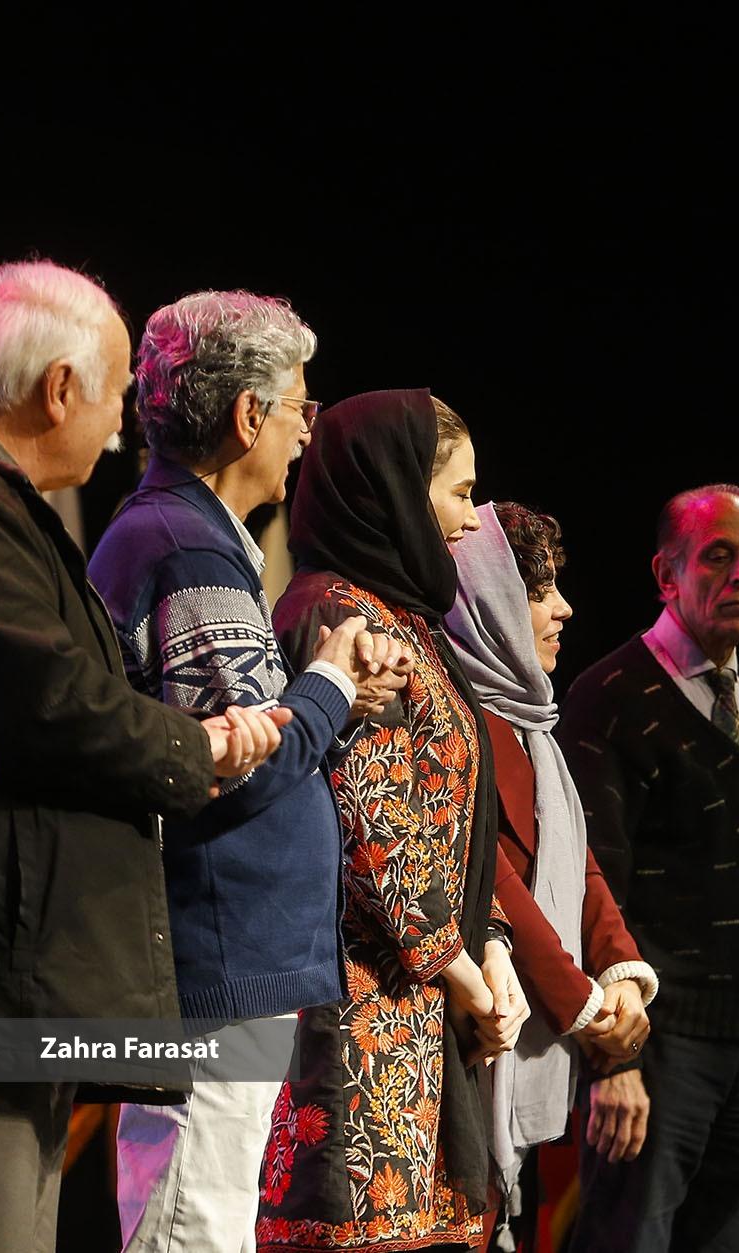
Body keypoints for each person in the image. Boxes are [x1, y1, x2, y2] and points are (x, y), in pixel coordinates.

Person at [0, 260, 289, 1253]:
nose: (122, 429)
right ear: (58, 388)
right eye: (113, 398)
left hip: (12, 962)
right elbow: (50, 700)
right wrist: (198, 744)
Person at [89, 290, 417, 1252]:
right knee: (191, 1222)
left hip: (227, 952)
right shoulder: (187, 546)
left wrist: (337, 701)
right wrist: (330, 681)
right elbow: (235, 767)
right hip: (216, 956)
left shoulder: (192, 537)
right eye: (299, 405)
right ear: (247, 415)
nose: (308, 429)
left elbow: (253, 739)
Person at [258, 390, 528, 1252]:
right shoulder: (338, 618)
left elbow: (454, 824)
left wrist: (492, 948)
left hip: (420, 1010)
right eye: (460, 492)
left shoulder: (406, 619)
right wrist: (467, 975)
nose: (471, 520)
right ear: (397, 492)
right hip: (356, 1016)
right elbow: (375, 826)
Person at [556, 483, 739, 1253]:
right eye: (719, 555)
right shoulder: (611, 695)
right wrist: (612, 1060)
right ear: (666, 574)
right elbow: (589, 885)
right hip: (659, 1047)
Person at [442, 502, 658, 1251]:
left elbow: (577, 859)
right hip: (476, 1032)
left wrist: (622, 970)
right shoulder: (459, 719)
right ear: (488, 606)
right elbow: (495, 879)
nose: (564, 608)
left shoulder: (533, 725)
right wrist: (584, 1004)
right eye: (539, 592)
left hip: (532, 1020)